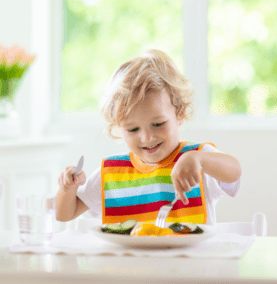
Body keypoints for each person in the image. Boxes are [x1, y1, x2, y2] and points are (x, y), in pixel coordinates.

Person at [56, 49, 241, 226]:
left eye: (158, 124)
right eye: (133, 129)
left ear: (179, 113)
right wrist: (68, 189)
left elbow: (235, 172)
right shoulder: (112, 172)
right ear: (119, 128)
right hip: (127, 259)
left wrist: (198, 159)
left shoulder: (196, 159)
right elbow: (65, 215)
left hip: (189, 259)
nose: (147, 137)